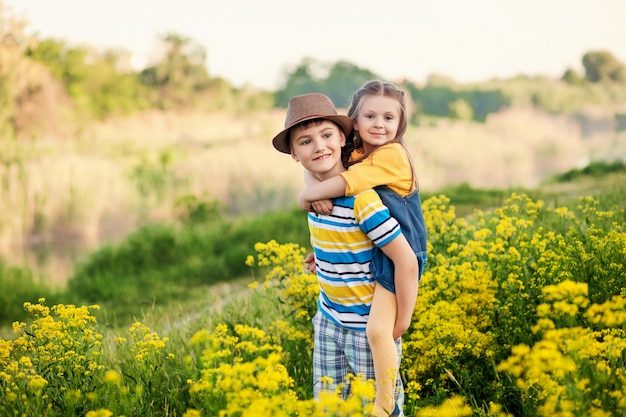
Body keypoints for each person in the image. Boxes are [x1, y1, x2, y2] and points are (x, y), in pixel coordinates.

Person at [272, 93, 418, 416]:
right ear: (294, 154)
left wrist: (402, 318)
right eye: (306, 142)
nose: (319, 147)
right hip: (328, 319)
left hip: (368, 325)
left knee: (380, 410)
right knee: (329, 409)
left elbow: (404, 259)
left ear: (342, 138)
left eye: (326, 136)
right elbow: (340, 237)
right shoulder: (317, 200)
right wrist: (321, 255)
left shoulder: (363, 202)